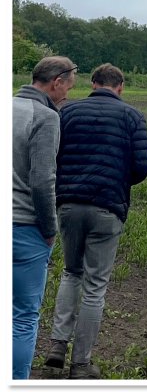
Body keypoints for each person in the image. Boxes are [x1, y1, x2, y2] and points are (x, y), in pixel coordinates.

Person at [45, 64, 147, 379]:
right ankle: (81, 363)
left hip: (68, 205)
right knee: (95, 287)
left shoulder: (68, 112)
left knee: (70, 272)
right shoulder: (132, 117)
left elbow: (54, 154)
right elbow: (142, 167)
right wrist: (116, 180)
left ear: (92, 84)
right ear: (120, 87)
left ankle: (56, 348)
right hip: (107, 206)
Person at [12, 56, 77, 380]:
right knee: (22, 317)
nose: (67, 95)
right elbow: (41, 179)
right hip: (24, 227)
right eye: (67, 88)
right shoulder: (46, 117)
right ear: (56, 83)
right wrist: (50, 228)